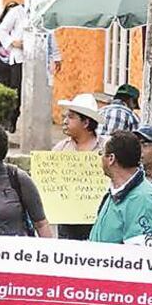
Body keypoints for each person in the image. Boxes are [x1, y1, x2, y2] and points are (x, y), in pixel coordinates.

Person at [88, 131, 152, 247]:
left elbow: (146, 258)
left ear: (111, 159)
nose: (100, 159)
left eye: (101, 153)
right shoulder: (116, 192)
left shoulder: (142, 200)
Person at [52, 93, 107, 240]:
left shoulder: (106, 149)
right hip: (67, 220)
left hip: (98, 219)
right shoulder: (60, 149)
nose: (64, 121)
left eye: (70, 117)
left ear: (86, 123)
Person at [0, 1, 25, 131]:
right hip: (5, 62)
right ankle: (6, 118)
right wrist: (12, 41)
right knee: (9, 91)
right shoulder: (11, 17)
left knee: (18, 92)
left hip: (23, 60)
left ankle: (12, 118)